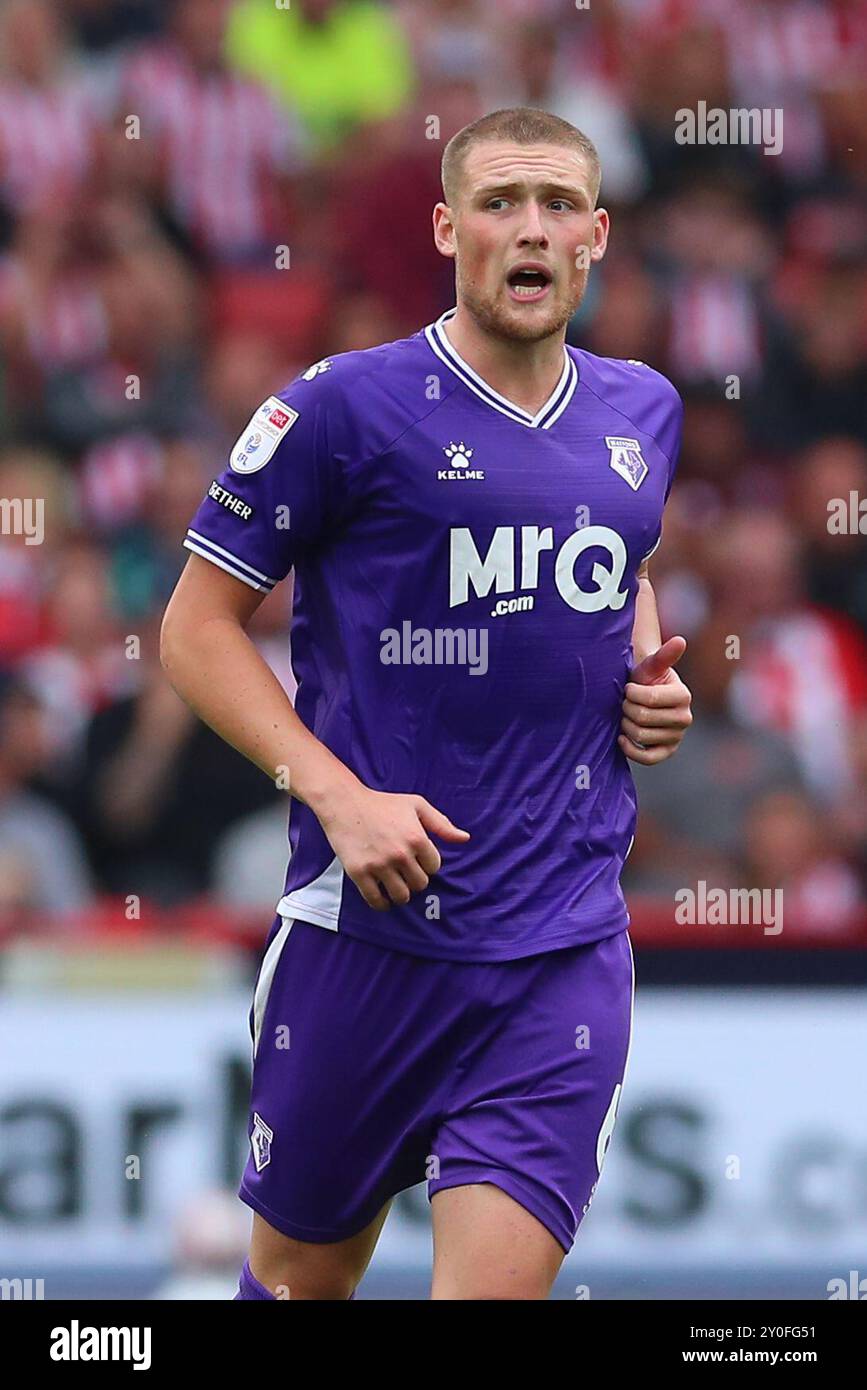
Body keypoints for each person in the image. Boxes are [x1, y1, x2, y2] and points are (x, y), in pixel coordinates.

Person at [160, 107, 693, 1301]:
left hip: (559, 945)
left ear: (597, 236)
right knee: (297, 1282)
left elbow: (625, 559)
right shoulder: (341, 407)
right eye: (502, 201)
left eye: (560, 204)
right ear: (451, 228)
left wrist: (649, 679)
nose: (533, 228)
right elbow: (194, 631)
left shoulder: (645, 410)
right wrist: (338, 796)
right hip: (368, 935)